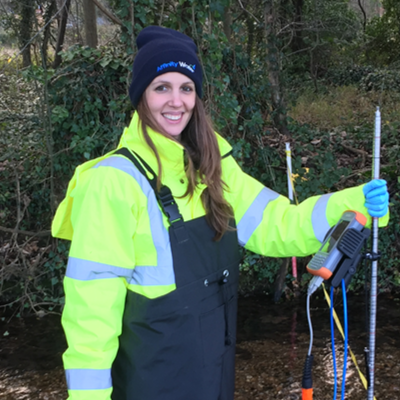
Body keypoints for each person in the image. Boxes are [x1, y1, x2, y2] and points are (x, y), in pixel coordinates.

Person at [52, 26, 389, 400]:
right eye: (161, 87)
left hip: (213, 380)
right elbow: (90, 316)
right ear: (141, 96)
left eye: (186, 87)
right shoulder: (113, 182)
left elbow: (279, 224)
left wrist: (353, 204)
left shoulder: (214, 168)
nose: (176, 101)